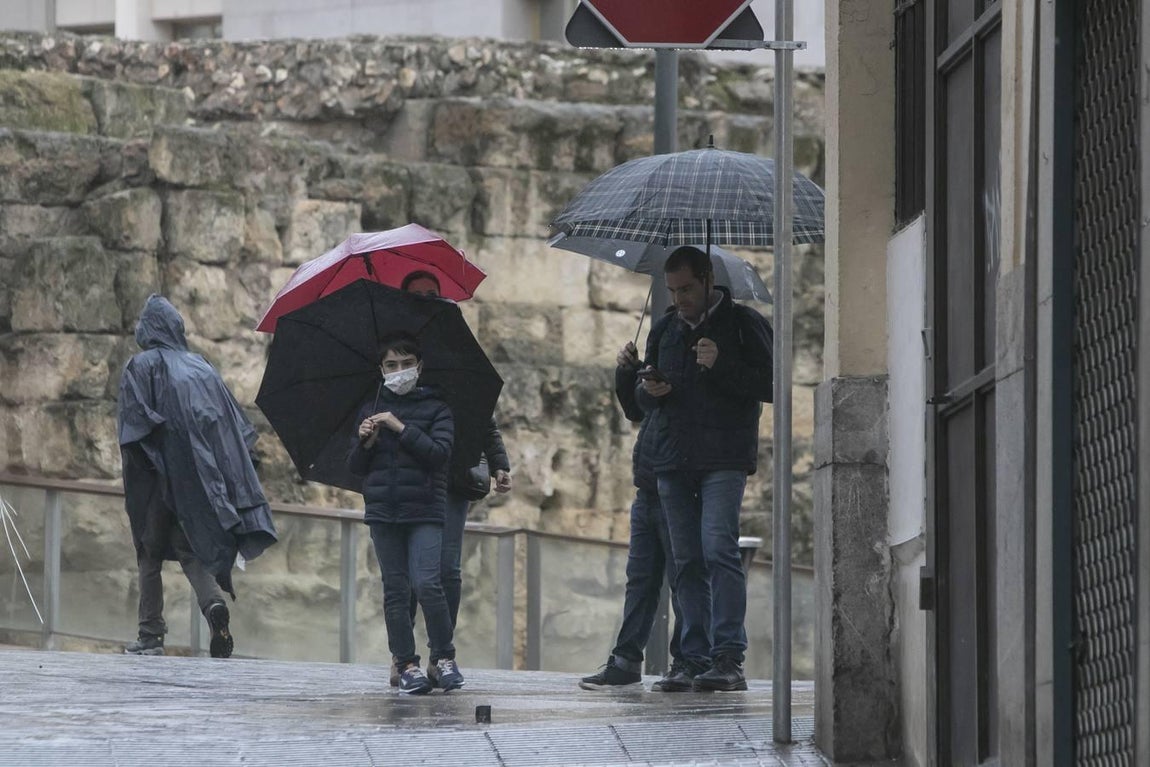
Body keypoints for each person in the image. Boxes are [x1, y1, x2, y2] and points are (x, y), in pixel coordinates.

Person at [637, 246, 773, 692]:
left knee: (718, 549)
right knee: (685, 561)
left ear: (709, 278)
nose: (680, 299)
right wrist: (643, 386)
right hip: (672, 458)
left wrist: (722, 364)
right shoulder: (665, 331)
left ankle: (728, 656)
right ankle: (691, 658)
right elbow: (641, 407)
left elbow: (772, 385)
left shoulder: (743, 324)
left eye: (687, 288)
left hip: (723, 456)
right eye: (673, 291)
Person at [117, 295, 278, 659]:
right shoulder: (202, 367)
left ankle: (150, 633)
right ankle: (213, 606)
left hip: (158, 478)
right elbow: (231, 425)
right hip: (200, 479)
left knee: (149, 553)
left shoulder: (139, 366)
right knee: (190, 551)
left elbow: (134, 426)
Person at [389, 271, 513, 688]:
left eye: (432, 295)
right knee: (407, 576)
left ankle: (441, 655)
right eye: (418, 296)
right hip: (408, 472)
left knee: (446, 570)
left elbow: (482, 413)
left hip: (453, 472)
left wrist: (498, 462)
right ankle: (403, 657)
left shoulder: (457, 351)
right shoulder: (396, 359)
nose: (427, 300)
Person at [349, 333, 465, 694]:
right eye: (391, 365)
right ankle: (406, 663)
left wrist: (400, 428)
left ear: (419, 366)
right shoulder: (370, 408)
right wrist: (364, 441)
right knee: (395, 590)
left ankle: (443, 656)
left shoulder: (437, 408)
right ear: (381, 369)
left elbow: (439, 454)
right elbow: (355, 467)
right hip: (384, 512)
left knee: (428, 583)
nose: (399, 371)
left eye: (405, 364)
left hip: (425, 509)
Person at [578, 339, 694, 692]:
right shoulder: (666, 336)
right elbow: (636, 407)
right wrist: (629, 371)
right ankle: (626, 661)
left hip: (679, 484)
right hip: (648, 485)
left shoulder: (698, 354)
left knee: (683, 581)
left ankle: (686, 662)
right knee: (640, 579)